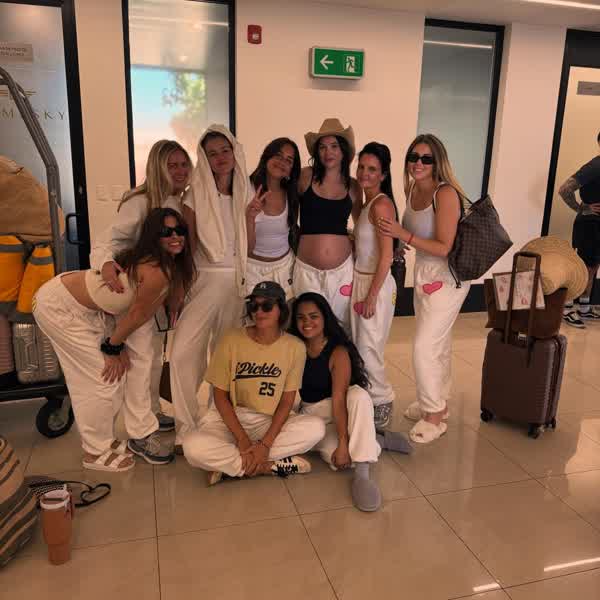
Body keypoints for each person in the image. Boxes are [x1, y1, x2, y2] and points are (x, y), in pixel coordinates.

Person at [33, 208, 196, 471]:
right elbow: (137, 315)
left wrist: (116, 344)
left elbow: (132, 314)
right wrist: (112, 347)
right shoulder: (156, 271)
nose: (175, 236)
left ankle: (103, 441)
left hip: (89, 311)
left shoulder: (166, 266)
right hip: (58, 306)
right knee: (100, 380)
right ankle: (94, 451)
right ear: (154, 236)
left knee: (115, 377)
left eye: (180, 231)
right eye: (167, 232)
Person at [89, 140, 192, 437]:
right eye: (172, 165)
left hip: (160, 289)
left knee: (153, 356)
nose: (180, 171)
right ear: (158, 167)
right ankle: (140, 431)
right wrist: (105, 263)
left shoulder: (181, 202)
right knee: (142, 358)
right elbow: (109, 242)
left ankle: (152, 413)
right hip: (138, 288)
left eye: (184, 164)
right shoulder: (139, 201)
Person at [183, 281, 325, 484]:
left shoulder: (295, 347)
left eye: (266, 306)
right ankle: (268, 466)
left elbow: (287, 401)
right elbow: (220, 395)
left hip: (267, 420)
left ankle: (233, 466)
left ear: (281, 310)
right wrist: (242, 439)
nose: (259, 311)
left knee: (315, 428)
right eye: (253, 306)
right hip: (229, 418)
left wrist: (265, 445)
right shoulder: (231, 339)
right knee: (192, 447)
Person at [378, 134, 470, 444]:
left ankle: (433, 414)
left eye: (426, 158)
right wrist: (401, 241)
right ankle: (437, 401)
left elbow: (444, 247)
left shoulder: (445, 194)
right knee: (437, 344)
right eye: (413, 156)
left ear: (437, 162)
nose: (418, 163)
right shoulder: (414, 189)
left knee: (424, 346)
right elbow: (415, 234)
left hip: (446, 277)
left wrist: (403, 234)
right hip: (423, 273)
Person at [290, 293, 412, 512]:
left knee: (358, 396)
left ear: (324, 318)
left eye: (313, 316)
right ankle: (377, 440)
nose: (307, 322)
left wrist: (344, 442)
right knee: (336, 459)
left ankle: (363, 475)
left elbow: (339, 398)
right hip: (312, 415)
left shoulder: (337, 351)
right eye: (301, 317)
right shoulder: (294, 347)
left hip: (342, 407)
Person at [171, 125, 252, 450]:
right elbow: (187, 247)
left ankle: (216, 423)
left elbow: (249, 243)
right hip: (202, 280)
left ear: (234, 152)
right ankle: (185, 426)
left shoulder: (245, 191)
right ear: (203, 158)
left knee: (225, 359)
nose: (220, 158)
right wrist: (179, 289)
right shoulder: (194, 195)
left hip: (236, 282)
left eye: (225, 150)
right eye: (212, 153)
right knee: (182, 355)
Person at [293, 118, 362, 331]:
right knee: (306, 328)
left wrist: (394, 242)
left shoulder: (353, 186)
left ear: (343, 151)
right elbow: (289, 219)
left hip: (342, 272)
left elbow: (362, 226)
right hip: (306, 269)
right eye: (322, 147)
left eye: (334, 146)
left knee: (341, 328)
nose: (328, 152)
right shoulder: (305, 177)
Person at [351, 142, 399, 429]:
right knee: (362, 346)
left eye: (372, 169)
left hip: (375, 284)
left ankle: (383, 400)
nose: (364, 173)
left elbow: (386, 257)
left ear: (383, 174)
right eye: (361, 167)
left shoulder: (381, 204)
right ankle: (368, 398)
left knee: (369, 348)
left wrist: (371, 297)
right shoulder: (368, 202)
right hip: (361, 279)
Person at [246, 138, 302, 301]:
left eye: (289, 160)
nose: (282, 162)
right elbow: (246, 249)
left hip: (285, 269)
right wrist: (250, 217)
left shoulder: (292, 194)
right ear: (267, 156)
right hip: (252, 271)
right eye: (278, 155)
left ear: (291, 169)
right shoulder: (247, 189)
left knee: (286, 316)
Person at [559, 131, 600, 328]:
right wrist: (582, 208)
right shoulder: (595, 166)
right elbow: (565, 189)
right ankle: (566, 308)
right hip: (589, 225)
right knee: (582, 267)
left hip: (597, 225)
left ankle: (584, 307)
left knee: (593, 267)